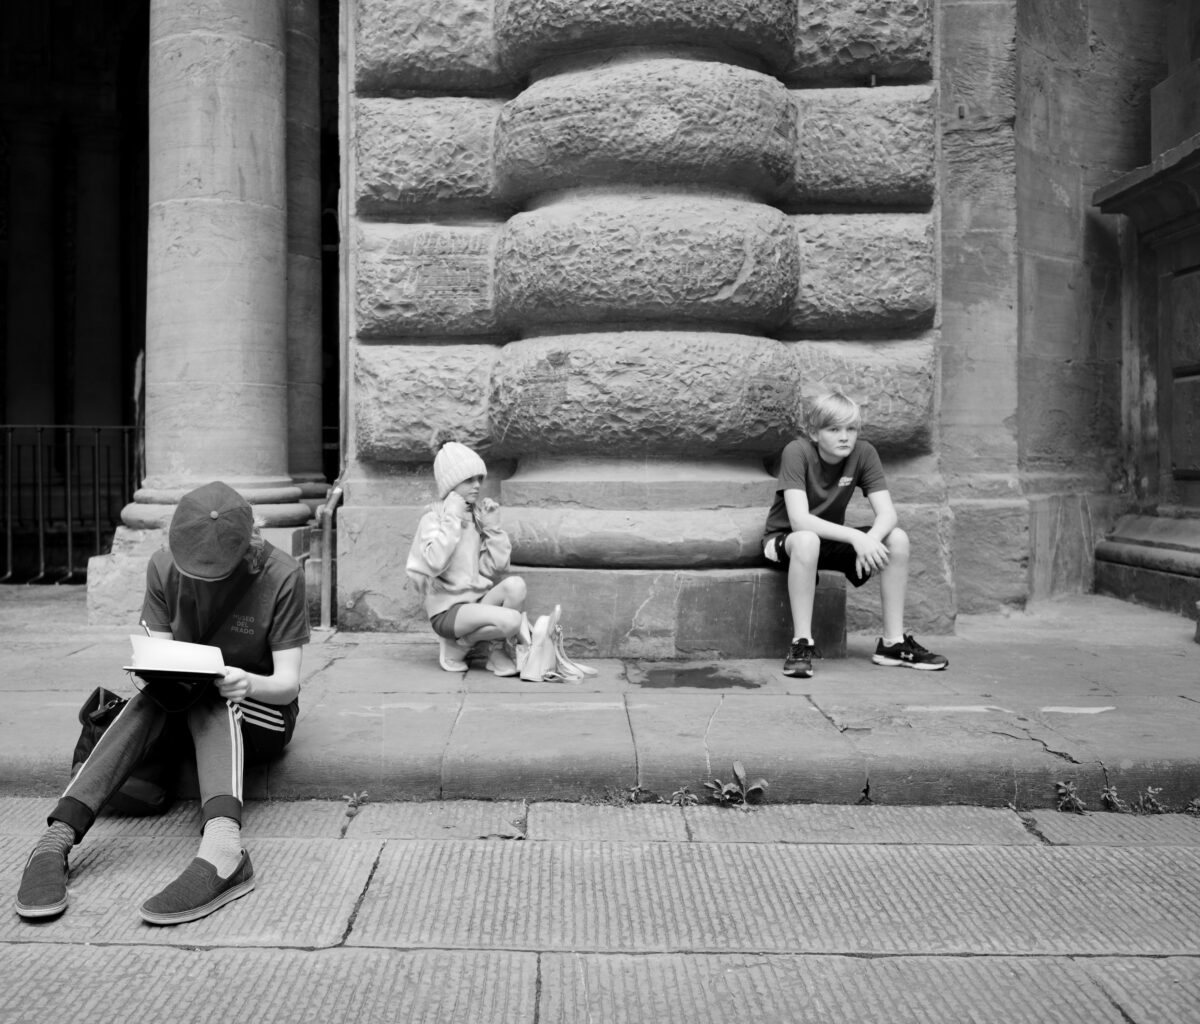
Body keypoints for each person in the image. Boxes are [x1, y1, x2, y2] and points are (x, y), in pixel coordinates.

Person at [14, 481, 309, 925]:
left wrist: (246, 682)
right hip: (182, 707)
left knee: (210, 692)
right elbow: (161, 656)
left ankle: (225, 850)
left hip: (258, 711)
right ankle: (57, 837)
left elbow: (287, 684)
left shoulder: (283, 575)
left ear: (248, 546)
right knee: (158, 696)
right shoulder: (162, 566)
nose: (197, 579)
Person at [762, 391, 948, 678]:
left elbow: (888, 514)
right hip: (786, 540)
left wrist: (869, 539)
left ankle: (892, 643)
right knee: (808, 539)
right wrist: (855, 537)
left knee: (896, 538)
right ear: (814, 432)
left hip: (830, 540)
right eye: (834, 429)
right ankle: (801, 643)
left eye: (851, 429)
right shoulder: (796, 452)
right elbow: (800, 521)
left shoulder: (864, 453)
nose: (844, 437)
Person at [406, 441, 527, 675]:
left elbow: (496, 568)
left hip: (475, 603)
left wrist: (493, 528)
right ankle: (457, 645)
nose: (477, 486)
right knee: (512, 621)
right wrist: (452, 515)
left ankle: (494, 651)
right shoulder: (433, 520)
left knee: (516, 586)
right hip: (447, 612)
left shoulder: (476, 519)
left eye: (479, 479)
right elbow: (434, 563)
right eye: (469, 480)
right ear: (451, 485)